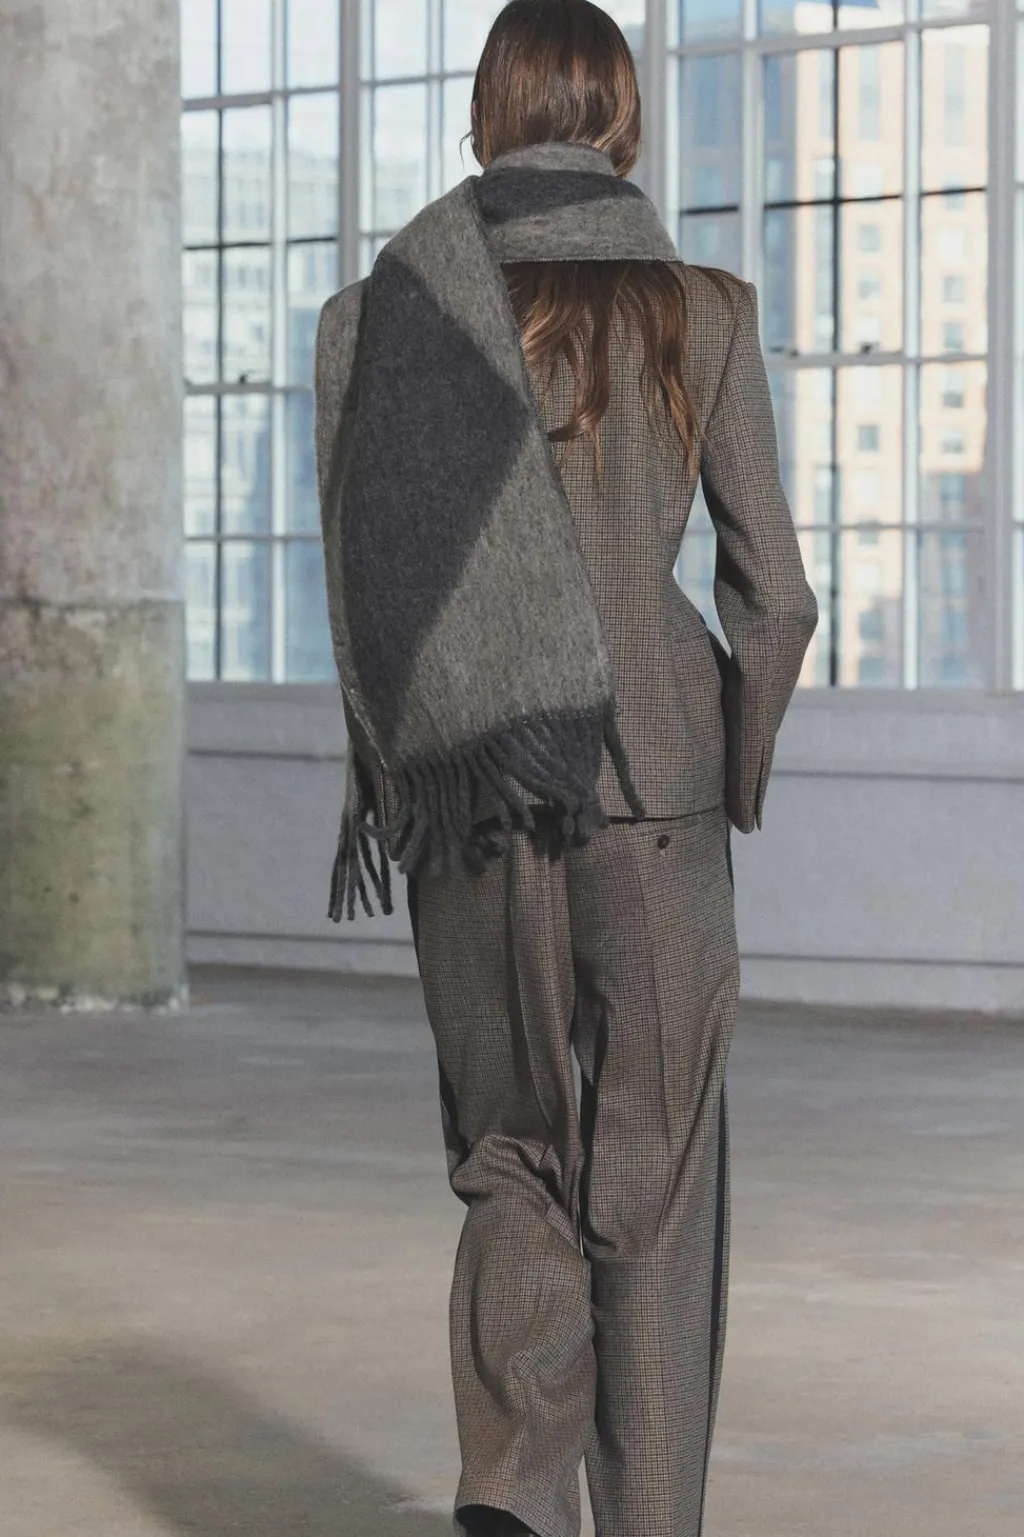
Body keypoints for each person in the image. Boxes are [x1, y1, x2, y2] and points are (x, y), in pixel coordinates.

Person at [315, 3, 818, 1534]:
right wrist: (726, 773)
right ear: (620, 119)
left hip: (468, 790)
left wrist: (402, 777)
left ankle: (513, 1497)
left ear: (488, 112)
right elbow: (776, 596)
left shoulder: (380, 315)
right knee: (654, 1186)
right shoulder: (700, 311)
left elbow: (367, 601)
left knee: (511, 1159)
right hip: (654, 790)